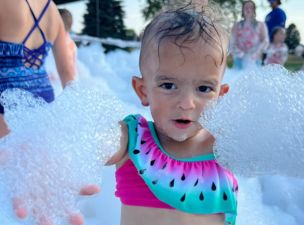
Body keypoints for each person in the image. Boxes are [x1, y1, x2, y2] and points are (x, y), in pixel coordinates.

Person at [101, 4, 238, 225]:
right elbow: (95, 143)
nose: (186, 103)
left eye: (204, 88)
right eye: (168, 85)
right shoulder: (132, 139)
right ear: (143, 90)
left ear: (220, 96)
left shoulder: (228, 145)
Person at [0, 0, 91, 224]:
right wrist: (76, 120)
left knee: (15, 194)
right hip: (45, 101)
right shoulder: (51, 8)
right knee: (40, 190)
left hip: (7, 103)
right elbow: (67, 72)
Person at [230, 0, 269, 70]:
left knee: (255, 78)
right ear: (242, 10)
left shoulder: (261, 25)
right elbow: (232, 41)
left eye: (251, 7)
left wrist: (257, 52)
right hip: (239, 58)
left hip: (255, 58)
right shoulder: (236, 25)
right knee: (237, 78)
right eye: (246, 7)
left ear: (254, 10)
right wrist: (238, 53)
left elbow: (265, 41)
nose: (248, 9)